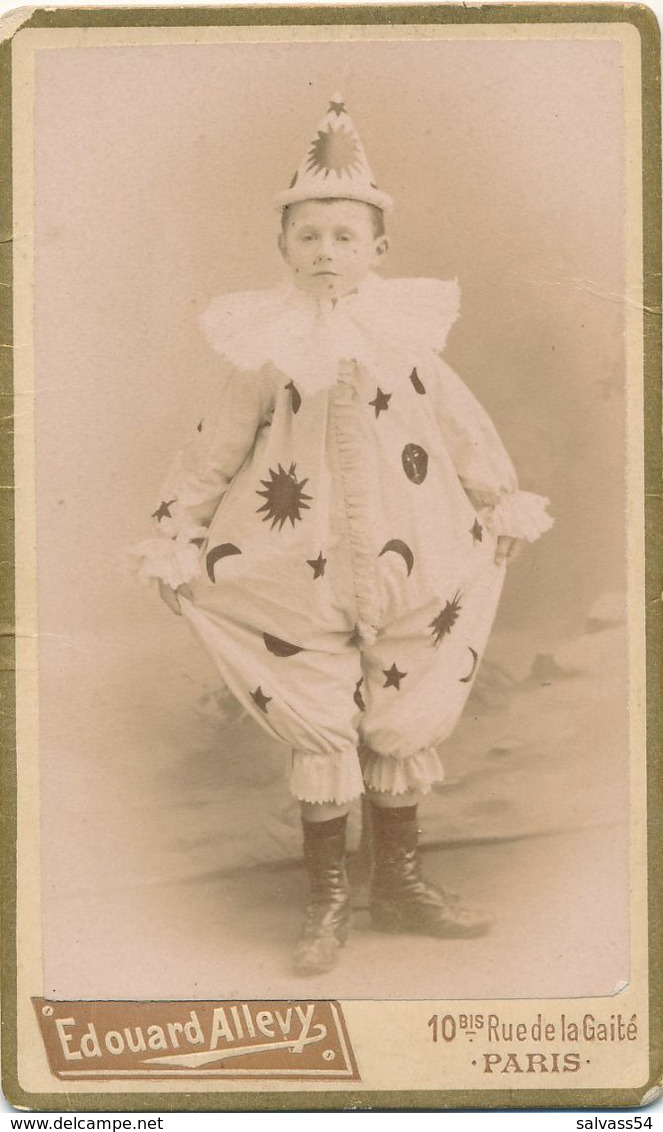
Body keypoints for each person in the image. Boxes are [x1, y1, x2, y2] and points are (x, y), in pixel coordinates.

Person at [132, 94, 554, 975]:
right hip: (295, 559)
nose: (326, 251)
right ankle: (325, 899)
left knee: (401, 713)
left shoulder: (407, 342)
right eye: (308, 236)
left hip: (414, 550)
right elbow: (214, 450)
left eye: (345, 236)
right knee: (320, 715)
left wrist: (497, 499)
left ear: (377, 250)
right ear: (283, 248)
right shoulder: (265, 349)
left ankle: (398, 884)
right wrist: (178, 535)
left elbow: (461, 427)